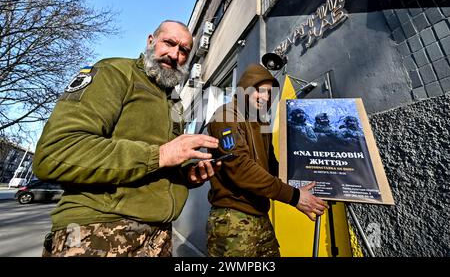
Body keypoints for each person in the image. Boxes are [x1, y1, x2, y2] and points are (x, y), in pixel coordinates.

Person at [33, 20, 221, 257]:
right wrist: (160, 155)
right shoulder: (114, 73)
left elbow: (160, 164)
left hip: (160, 237)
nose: (174, 54)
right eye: (169, 43)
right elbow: (55, 153)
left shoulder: (175, 102)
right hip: (98, 231)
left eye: (183, 50)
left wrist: (186, 174)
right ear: (150, 41)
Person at [206, 64, 328, 257]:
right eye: (260, 91)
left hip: (260, 214)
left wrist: (298, 183)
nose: (265, 98)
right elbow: (240, 167)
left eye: (270, 94)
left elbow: (271, 165)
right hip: (233, 219)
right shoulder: (226, 116)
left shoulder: (260, 122)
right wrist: (294, 197)